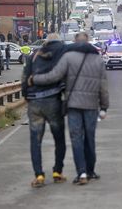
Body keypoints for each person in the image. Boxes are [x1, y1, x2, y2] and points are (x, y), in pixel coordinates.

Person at [31, 32, 109, 186]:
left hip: (73, 104)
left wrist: (35, 79)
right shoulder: (98, 59)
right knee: (90, 138)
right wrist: (104, 106)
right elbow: (103, 86)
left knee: (76, 139)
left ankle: (82, 173)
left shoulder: (68, 57)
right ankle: (91, 170)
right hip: (91, 105)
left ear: (74, 41)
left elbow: (54, 76)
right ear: (88, 42)